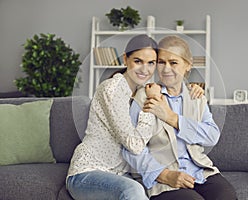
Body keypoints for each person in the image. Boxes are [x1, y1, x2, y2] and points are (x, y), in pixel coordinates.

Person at [66, 34, 204, 200]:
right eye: (138, 61)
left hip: (121, 174)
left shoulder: (142, 89)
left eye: (151, 63)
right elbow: (135, 145)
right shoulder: (113, 88)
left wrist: (192, 90)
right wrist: (150, 101)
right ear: (126, 59)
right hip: (88, 172)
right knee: (133, 191)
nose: (144, 69)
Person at [123, 35, 237, 200]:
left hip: (199, 171)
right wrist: (164, 175)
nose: (166, 69)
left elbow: (212, 136)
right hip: (163, 178)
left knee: (226, 196)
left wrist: (172, 118)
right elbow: (131, 148)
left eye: (173, 62)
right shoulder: (144, 96)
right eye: (161, 62)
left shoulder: (196, 96)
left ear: (188, 65)